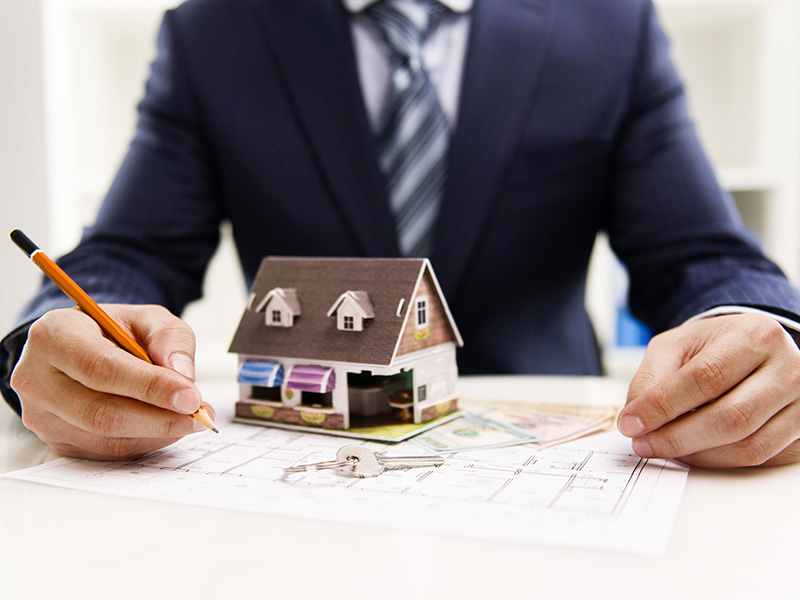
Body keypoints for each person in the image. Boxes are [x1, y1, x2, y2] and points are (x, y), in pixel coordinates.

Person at [3, 0, 800, 467]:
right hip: (305, 468)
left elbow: (701, 253)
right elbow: (130, 252)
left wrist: (766, 334)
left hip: (558, 458)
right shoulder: (214, 31)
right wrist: (57, 333)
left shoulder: (611, 24)